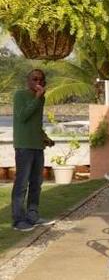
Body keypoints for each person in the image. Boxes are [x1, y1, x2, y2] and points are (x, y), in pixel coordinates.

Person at [11, 69, 55, 232]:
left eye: (41, 79)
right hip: (24, 146)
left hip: (37, 145)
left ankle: (32, 215)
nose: (38, 81)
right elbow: (22, 117)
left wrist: (45, 137)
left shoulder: (40, 99)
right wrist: (37, 98)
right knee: (21, 184)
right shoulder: (20, 95)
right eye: (34, 78)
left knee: (36, 183)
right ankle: (18, 220)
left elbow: (35, 123)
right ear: (27, 80)